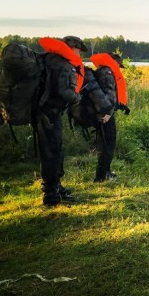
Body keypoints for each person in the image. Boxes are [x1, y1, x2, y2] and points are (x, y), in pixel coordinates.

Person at [37, 35, 86, 206]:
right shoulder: (65, 65)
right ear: (72, 48)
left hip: (42, 112)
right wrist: (78, 98)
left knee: (50, 151)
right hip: (50, 114)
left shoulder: (47, 59)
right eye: (79, 50)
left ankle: (56, 187)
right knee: (52, 152)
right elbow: (65, 92)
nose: (79, 53)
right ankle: (51, 195)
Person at [91, 53, 124, 182]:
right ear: (114, 61)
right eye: (118, 64)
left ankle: (105, 172)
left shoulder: (101, 71)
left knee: (104, 143)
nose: (119, 68)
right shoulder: (107, 73)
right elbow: (109, 95)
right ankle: (101, 176)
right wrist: (108, 113)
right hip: (105, 115)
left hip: (101, 113)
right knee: (107, 144)